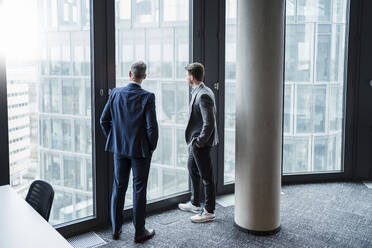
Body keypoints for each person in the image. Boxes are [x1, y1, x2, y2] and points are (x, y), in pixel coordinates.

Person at [100, 61, 158, 243]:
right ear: (144, 77)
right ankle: (139, 232)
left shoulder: (116, 93)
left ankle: (116, 230)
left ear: (129, 74)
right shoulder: (147, 97)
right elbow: (151, 128)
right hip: (140, 151)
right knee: (139, 190)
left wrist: (115, 139)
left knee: (119, 187)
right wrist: (151, 146)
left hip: (119, 149)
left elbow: (104, 120)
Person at [178, 62, 219, 223]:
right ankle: (195, 203)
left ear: (192, 77)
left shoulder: (203, 95)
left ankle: (209, 211)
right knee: (191, 167)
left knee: (207, 177)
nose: (186, 78)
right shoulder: (201, 90)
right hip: (195, 143)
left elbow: (209, 122)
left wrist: (200, 142)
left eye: (187, 75)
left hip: (200, 144)